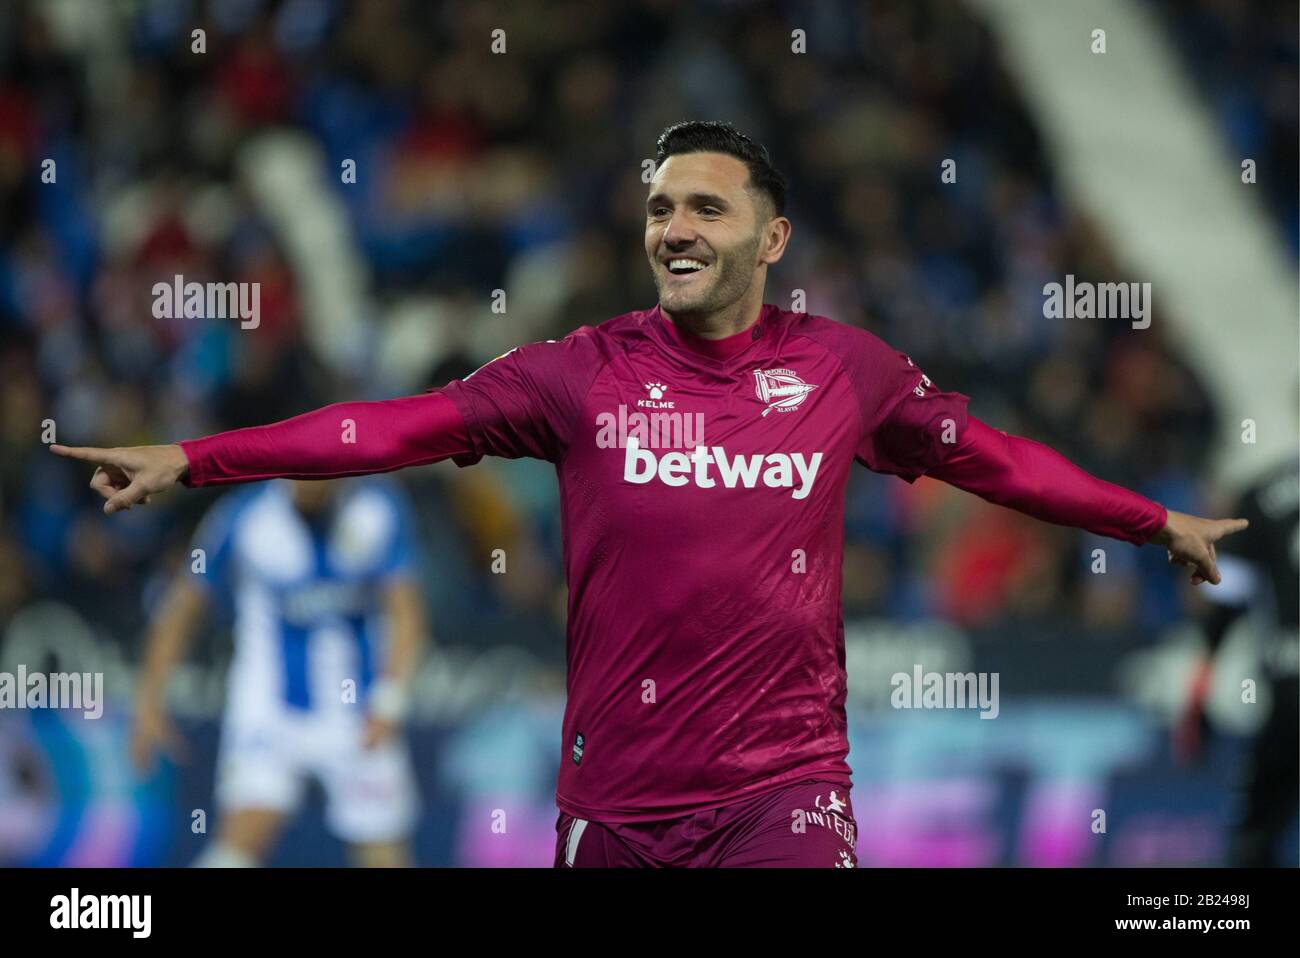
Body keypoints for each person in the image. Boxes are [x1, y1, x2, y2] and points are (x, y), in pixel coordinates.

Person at [53, 120, 1246, 868]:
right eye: (659, 207)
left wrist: (1153, 522)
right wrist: (198, 458)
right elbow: (387, 428)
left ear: (771, 238)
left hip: (782, 790)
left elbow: (999, 460)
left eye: (704, 208)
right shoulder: (580, 374)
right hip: (616, 805)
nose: (672, 227)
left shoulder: (847, 370)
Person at [132, 477, 426, 867]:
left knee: (384, 854)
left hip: (360, 712)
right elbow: (182, 607)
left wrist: (389, 702)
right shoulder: (243, 516)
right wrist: (150, 701)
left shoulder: (376, 508)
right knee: (242, 837)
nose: (313, 485)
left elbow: (407, 611)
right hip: (269, 709)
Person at [1175, 454, 1298, 866]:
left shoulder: (1265, 494)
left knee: (1256, 836)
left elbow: (1225, 600)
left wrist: (1198, 688)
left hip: (1290, 692)